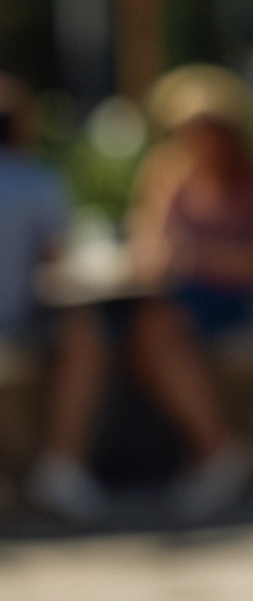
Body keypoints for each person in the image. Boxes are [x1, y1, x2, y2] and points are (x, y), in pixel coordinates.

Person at [126, 69, 253, 519]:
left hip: (237, 300)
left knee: (155, 331)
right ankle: (209, 452)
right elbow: (149, 244)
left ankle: (217, 451)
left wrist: (193, 256)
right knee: (138, 331)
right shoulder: (168, 171)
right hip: (179, 296)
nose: (198, 140)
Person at [0, 75, 110, 523]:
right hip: (16, 324)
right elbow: (57, 263)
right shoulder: (36, 180)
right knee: (85, 336)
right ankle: (62, 466)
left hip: (16, 323)